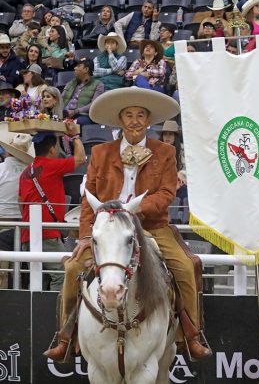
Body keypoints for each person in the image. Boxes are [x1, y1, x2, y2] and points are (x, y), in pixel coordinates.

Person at [43, 87, 211, 363]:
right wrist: (86, 236)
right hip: (108, 227)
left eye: (140, 115)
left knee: (186, 265)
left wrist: (134, 210)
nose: (134, 120)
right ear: (120, 121)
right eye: (129, 115)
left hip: (152, 225)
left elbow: (167, 193)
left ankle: (191, 335)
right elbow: (89, 197)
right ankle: (65, 336)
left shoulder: (165, 151)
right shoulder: (100, 152)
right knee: (73, 267)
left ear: (148, 121)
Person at [19, 125, 86, 291]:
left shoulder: (26, 171)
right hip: (47, 234)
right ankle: (54, 313)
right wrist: (75, 136)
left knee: (38, 278)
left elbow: (20, 202)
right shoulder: (52, 165)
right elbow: (81, 158)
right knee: (62, 273)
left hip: (28, 235)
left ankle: (36, 314)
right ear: (52, 149)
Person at [0, 131, 34, 264]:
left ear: (8, 151)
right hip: (26, 227)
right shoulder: (33, 172)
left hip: (2, 224)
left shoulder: (1, 169)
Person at [62, 58, 106, 125]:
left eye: (78, 66)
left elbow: (94, 104)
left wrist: (76, 111)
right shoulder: (71, 82)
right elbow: (62, 97)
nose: (75, 68)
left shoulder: (98, 85)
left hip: (82, 115)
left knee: (81, 121)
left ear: (86, 69)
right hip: (65, 112)